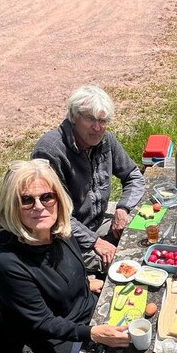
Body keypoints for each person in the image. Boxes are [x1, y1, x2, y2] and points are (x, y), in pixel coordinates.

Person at [0, 160, 129, 353]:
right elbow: (41, 323)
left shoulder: (57, 229)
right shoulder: (6, 261)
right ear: (12, 205)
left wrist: (84, 284)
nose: (39, 206)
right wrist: (92, 334)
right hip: (48, 341)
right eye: (26, 200)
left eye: (47, 197)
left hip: (85, 313)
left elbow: (61, 273)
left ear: (58, 199)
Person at [32, 85, 144, 271]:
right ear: (73, 116)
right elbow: (53, 214)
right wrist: (95, 242)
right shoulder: (50, 151)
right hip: (64, 237)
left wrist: (123, 208)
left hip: (97, 224)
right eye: (90, 119)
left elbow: (133, 175)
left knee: (143, 236)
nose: (97, 128)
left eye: (102, 120)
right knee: (123, 263)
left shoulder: (106, 140)